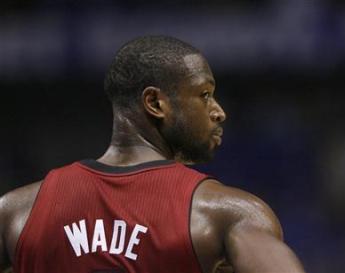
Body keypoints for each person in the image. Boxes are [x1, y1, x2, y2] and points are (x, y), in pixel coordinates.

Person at [0, 35, 305, 273]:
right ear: (156, 103)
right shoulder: (225, 213)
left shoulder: (16, 212)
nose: (219, 112)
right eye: (204, 95)